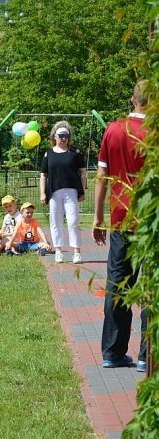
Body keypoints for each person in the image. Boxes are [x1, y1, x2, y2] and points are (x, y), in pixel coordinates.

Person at [93, 80, 148, 372]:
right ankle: (147, 356)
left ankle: (113, 352)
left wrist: (98, 217)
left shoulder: (114, 129)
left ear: (132, 99)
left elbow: (102, 176)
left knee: (118, 284)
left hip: (121, 219)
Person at [40, 121, 87, 264]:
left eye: (66, 136)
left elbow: (83, 173)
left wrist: (82, 191)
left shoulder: (75, 153)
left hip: (71, 192)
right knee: (55, 222)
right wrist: (42, 193)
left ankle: (77, 252)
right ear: (54, 136)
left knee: (73, 221)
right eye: (60, 136)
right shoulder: (49, 154)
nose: (63, 138)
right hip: (54, 193)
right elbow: (43, 175)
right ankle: (58, 251)